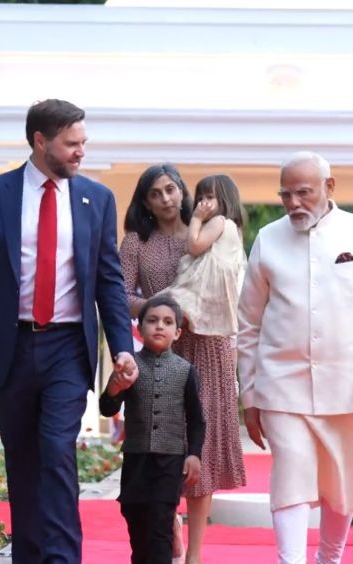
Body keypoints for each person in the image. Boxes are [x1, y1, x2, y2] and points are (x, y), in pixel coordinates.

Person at [0, 99, 137, 564]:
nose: (81, 151)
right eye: (71, 143)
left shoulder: (96, 199)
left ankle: (63, 558)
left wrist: (122, 347)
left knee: (57, 451)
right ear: (40, 141)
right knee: (23, 461)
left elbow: (108, 280)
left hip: (68, 347)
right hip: (10, 347)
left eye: (83, 142)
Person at [238, 151, 353, 564]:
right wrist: (250, 394)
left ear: (329, 187)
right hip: (282, 383)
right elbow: (247, 324)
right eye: (286, 195)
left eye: (303, 192)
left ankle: (329, 559)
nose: (294, 203)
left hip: (351, 384)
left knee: (342, 479)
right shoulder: (268, 238)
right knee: (291, 472)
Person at [120, 164, 246, 564]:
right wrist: (160, 312)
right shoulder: (136, 242)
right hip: (161, 353)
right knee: (161, 441)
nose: (165, 199)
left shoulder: (208, 228)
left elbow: (228, 282)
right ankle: (166, 519)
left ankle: (194, 555)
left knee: (200, 446)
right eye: (155, 193)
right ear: (145, 202)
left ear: (182, 191)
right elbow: (120, 294)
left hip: (209, 347)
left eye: (171, 189)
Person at [99, 295, 206, 564]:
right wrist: (114, 387)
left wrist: (194, 454)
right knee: (136, 523)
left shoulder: (186, 371)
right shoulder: (129, 367)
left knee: (160, 526)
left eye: (168, 322)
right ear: (139, 327)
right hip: (136, 460)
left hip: (169, 462)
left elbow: (196, 419)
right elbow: (107, 408)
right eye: (153, 320)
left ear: (177, 332)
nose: (160, 326)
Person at [158, 174, 247, 337]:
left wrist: (196, 218)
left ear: (224, 199)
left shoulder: (219, 221)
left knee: (159, 306)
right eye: (200, 198)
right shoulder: (234, 227)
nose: (202, 202)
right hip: (213, 296)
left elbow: (193, 247)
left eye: (209, 197)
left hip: (200, 287)